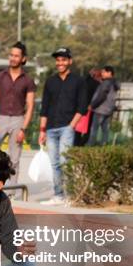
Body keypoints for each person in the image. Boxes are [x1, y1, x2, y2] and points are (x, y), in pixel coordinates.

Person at [38, 48, 87, 205]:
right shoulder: (50, 81)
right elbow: (44, 107)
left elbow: (82, 106)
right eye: (58, 60)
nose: (60, 63)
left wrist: (72, 125)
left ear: (70, 61)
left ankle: (70, 195)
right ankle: (59, 195)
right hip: (51, 128)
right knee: (54, 163)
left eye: (63, 60)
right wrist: (42, 130)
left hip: (67, 127)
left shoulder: (78, 81)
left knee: (65, 161)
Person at [0, 42, 36, 185]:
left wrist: (23, 129)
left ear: (23, 59)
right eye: (11, 55)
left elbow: (31, 106)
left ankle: (13, 192)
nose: (13, 58)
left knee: (14, 159)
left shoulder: (28, 80)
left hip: (18, 120)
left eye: (16, 56)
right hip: (0, 119)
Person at [88, 66, 120, 146]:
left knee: (94, 130)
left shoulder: (106, 83)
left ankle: (89, 146)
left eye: (103, 72)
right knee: (105, 130)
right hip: (109, 110)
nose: (101, 73)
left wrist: (92, 105)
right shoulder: (114, 83)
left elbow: (102, 96)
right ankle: (104, 146)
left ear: (109, 73)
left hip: (100, 109)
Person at [74, 68, 102, 147]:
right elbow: (98, 97)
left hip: (79, 107)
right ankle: (82, 144)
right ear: (97, 76)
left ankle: (76, 144)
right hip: (90, 108)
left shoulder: (82, 81)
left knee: (77, 128)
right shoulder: (97, 84)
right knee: (89, 128)